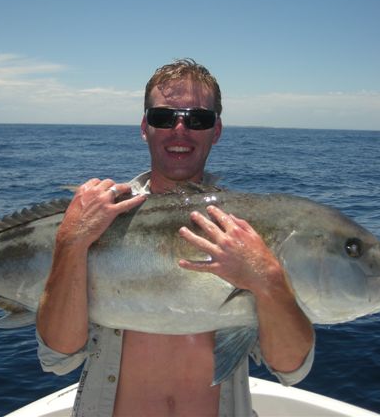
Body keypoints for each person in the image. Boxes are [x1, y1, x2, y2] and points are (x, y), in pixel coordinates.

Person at [36, 59, 315, 416]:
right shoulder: (96, 222)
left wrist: (269, 279)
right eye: (164, 117)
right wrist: (70, 241)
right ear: (145, 127)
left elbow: (292, 369)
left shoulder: (244, 234)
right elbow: (57, 357)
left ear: (216, 130)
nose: (179, 130)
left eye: (197, 119)